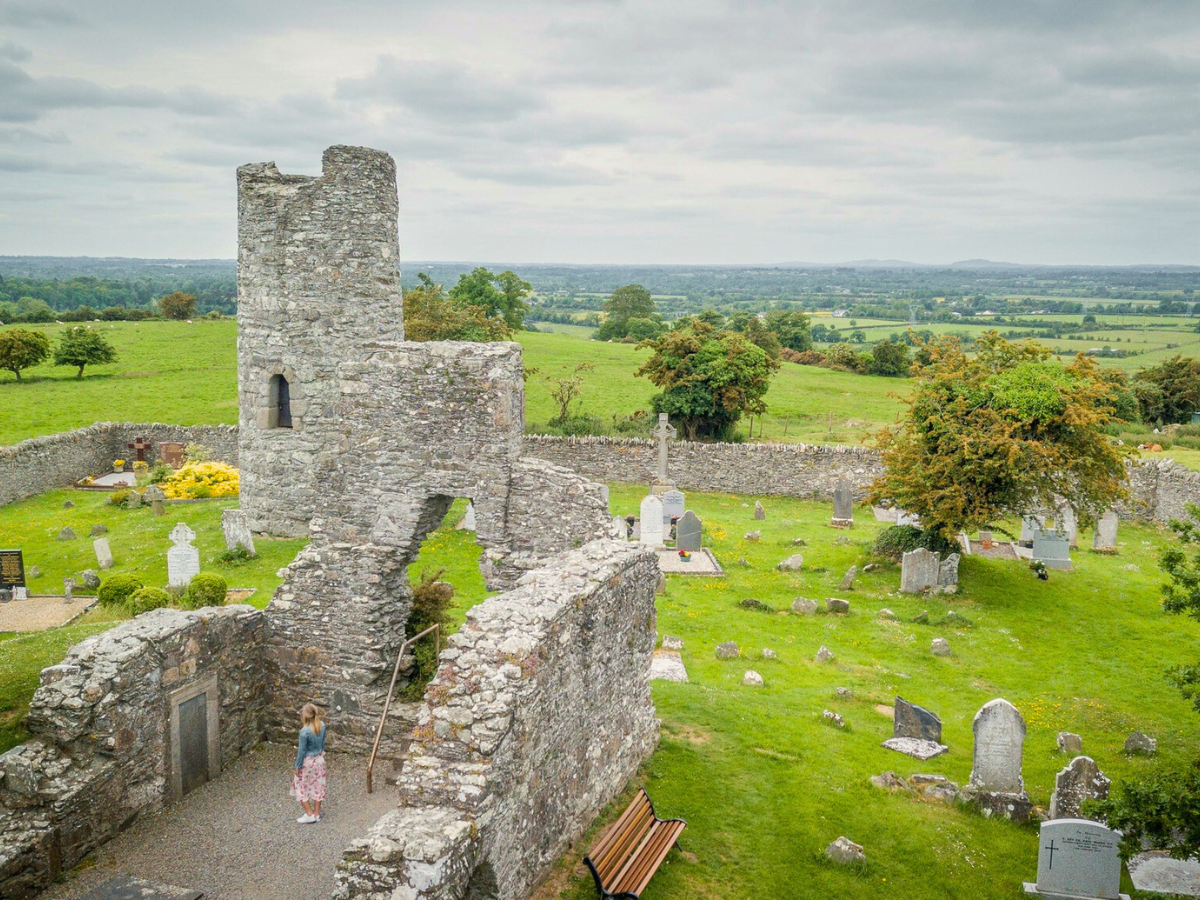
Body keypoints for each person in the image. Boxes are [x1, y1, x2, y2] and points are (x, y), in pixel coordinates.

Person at [291, 703, 327, 824]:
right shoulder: (322, 725)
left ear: (305, 716)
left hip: (308, 762)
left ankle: (309, 813)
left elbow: (301, 751)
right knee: (318, 786)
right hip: (319, 760)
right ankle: (316, 814)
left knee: (300, 786)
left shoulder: (304, 732)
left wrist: (297, 765)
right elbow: (322, 744)